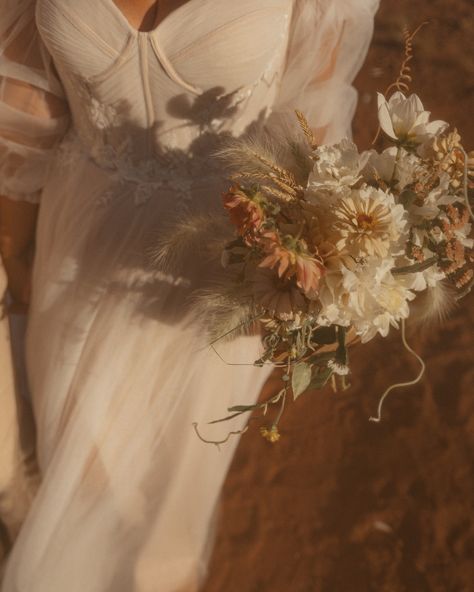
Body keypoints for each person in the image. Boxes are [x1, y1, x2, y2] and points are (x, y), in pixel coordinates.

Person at [0, 1, 379, 590]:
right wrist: (17, 260)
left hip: (227, 262)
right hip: (73, 246)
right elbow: (27, 105)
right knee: (81, 465)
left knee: (171, 481)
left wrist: (317, 268)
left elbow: (316, 107)